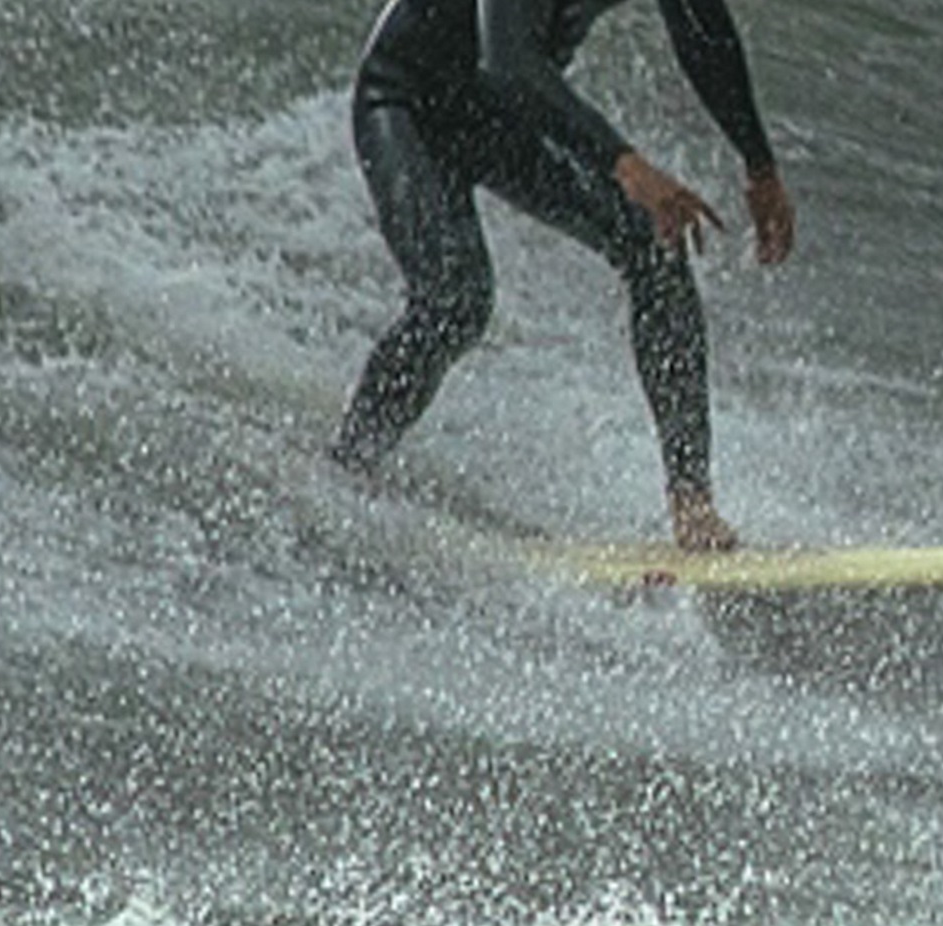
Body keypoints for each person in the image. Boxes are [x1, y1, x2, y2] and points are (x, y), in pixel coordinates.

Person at [334, 0, 796, 552]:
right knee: (456, 300)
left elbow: (705, 34)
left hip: (497, 117)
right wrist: (627, 166)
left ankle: (692, 503)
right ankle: (348, 465)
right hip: (405, 101)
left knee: (654, 245)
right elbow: (509, 62)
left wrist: (760, 167)